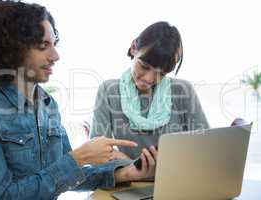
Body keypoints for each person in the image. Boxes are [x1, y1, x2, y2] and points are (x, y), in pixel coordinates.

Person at [0, 1, 155, 199]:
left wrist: (126, 173)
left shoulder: (48, 105)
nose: (55, 56)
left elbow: (67, 175)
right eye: (43, 46)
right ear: (11, 50)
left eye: (54, 45)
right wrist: (77, 158)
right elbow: (0, 196)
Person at [90, 21, 210, 160]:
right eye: (144, 67)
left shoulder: (183, 91)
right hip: (128, 180)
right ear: (133, 47)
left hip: (177, 179)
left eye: (162, 73)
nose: (149, 78)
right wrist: (134, 169)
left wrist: (126, 161)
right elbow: (96, 154)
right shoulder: (109, 91)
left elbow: (205, 149)